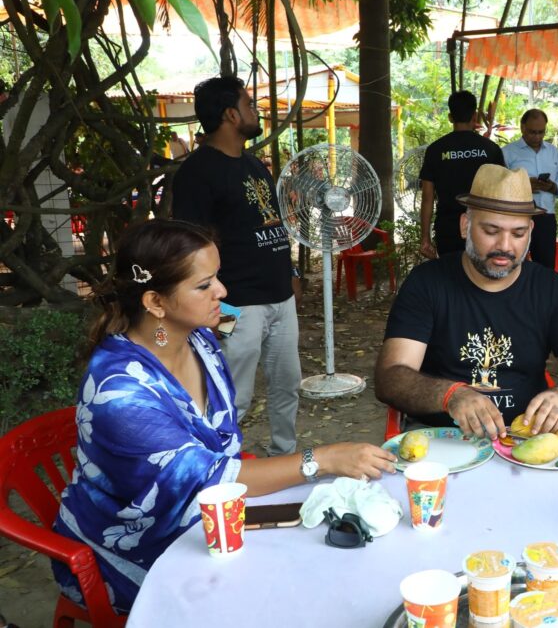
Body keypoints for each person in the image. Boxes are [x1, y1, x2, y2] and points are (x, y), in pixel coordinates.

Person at [51, 219, 396, 613]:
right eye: (204, 285)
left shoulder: (196, 335)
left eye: (217, 276)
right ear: (155, 303)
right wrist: (324, 458)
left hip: (213, 516)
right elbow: (210, 481)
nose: (222, 291)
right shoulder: (122, 396)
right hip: (137, 547)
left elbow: (238, 318)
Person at [374, 164, 558, 439]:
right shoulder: (427, 283)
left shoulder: (550, 289)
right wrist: (450, 395)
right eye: (491, 231)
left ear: (531, 231)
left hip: (524, 437)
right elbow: (390, 377)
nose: (505, 246)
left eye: (518, 234)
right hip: (438, 437)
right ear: (465, 225)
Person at [172, 75, 301, 457]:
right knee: (233, 395)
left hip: (280, 299)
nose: (255, 111)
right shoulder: (197, 173)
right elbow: (189, 247)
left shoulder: (254, 165)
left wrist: (292, 273)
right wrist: (212, 310)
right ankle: (219, 466)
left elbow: (274, 224)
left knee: (287, 386)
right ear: (231, 114)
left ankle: (284, 457)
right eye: (248, 104)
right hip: (236, 305)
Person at [418, 91, 505, 258]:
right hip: (485, 226)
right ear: (475, 116)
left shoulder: (435, 150)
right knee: (481, 272)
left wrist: (425, 238)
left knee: (451, 272)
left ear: (450, 117)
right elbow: (502, 193)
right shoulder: (491, 149)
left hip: (448, 228)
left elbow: (427, 198)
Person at [501, 109, 558, 269]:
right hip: (517, 217)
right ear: (522, 127)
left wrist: (552, 186)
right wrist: (523, 186)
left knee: (545, 267)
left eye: (541, 132)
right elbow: (499, 188)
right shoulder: (507, 152)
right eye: (532, 132)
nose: (537, 137)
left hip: (546, 217)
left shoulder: (553, 152)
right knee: (514, 264)